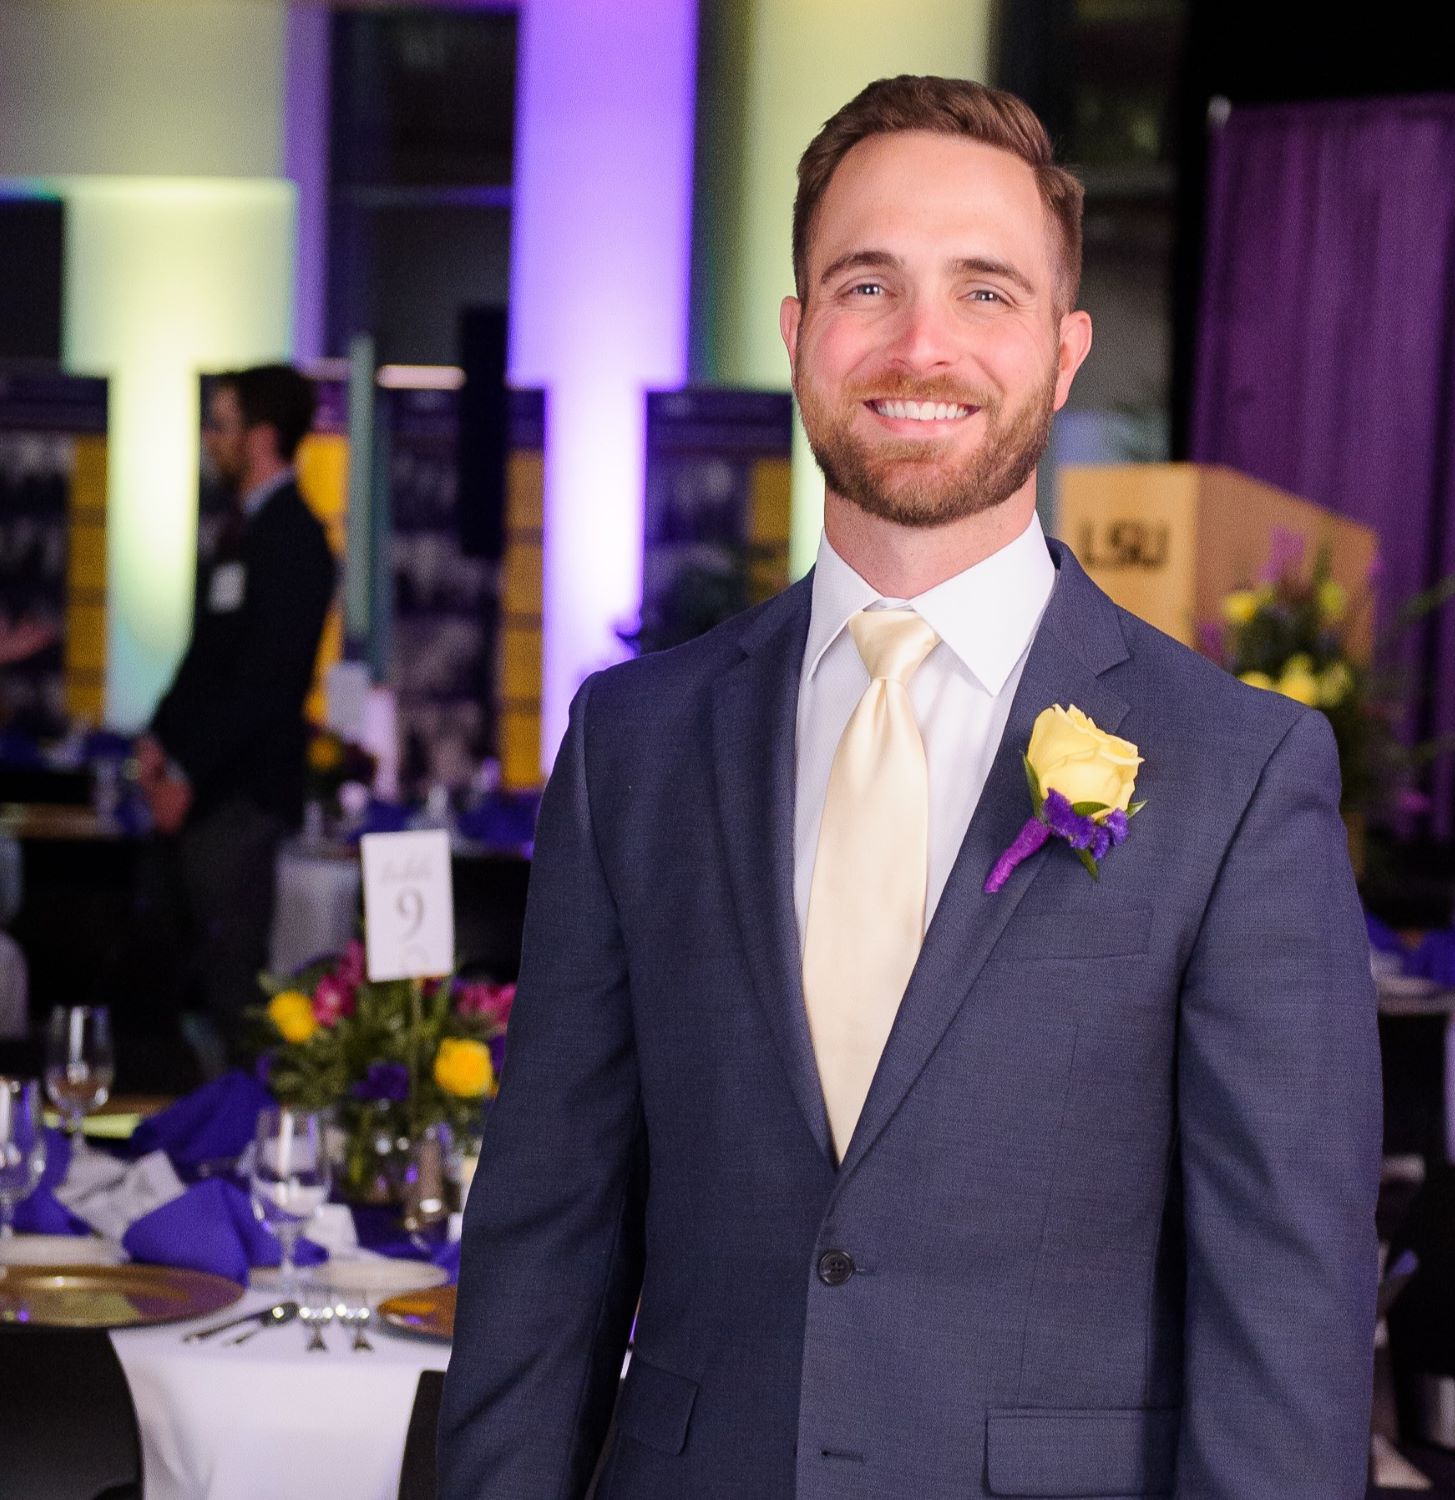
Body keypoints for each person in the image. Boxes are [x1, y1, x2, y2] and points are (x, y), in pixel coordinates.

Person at [441, 76, 1380, 1499]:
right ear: (800, 334)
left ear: (1066, 353)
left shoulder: (1240, 770)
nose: (922, 342)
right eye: (866, 283)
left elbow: (1286, 1326)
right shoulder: (631, 743)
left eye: (985, 292)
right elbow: (544, 1243)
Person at [135, 365, 334, 1067]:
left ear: (262, 438)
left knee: (232, 987)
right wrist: (160, 734)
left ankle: (251, 1150)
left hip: (240, 799)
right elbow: (208, 655)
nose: (207, 440)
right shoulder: (239, 530)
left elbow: (264, 687)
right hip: (203, 796)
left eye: (220, 424)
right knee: (176, 980)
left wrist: (185, 771)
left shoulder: (296, 542)